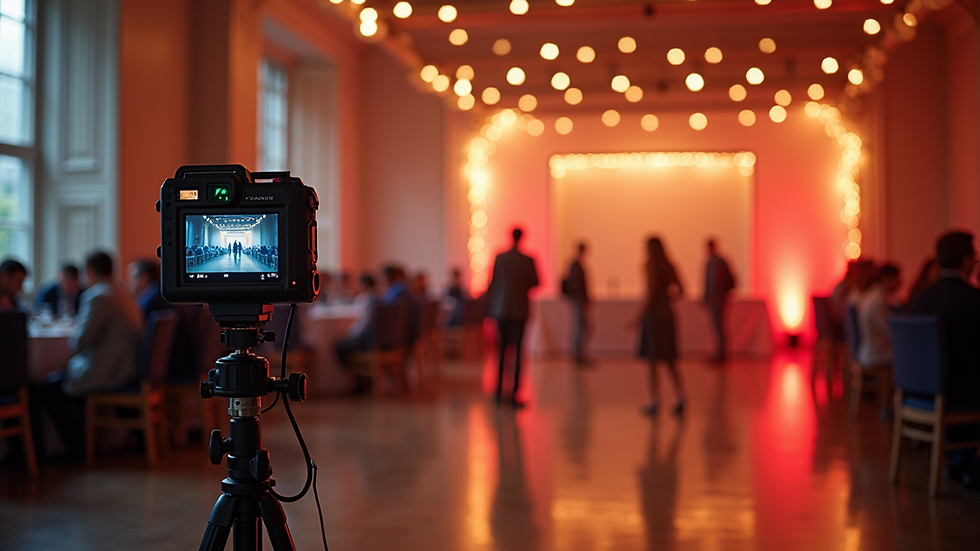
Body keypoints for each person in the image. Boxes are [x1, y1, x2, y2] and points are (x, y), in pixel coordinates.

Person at [39, 251, 144, 461]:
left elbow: (79, 342)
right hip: (125, 366)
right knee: (60, 383)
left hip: (109, 371)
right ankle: (87, 444)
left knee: (49, 387)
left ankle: (77, 449)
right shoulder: (123, 292)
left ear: (89, 271)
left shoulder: (98, 295)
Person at [908, 231, 980, 490]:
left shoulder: (919, 298)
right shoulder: (973, 300)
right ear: (966, 261)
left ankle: (962, 458)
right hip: (955, 396)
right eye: (975, 257)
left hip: (918, 393)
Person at [633, 237, 686, 415]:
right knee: (669, 358)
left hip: (654, 315)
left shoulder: (650, 265)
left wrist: (637, 317)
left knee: (652, 360)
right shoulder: (670, 265)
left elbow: (651, 294)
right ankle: (681, 397)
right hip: (667, 313)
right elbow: (681, 290)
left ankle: (655, 400)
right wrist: (669, 297)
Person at [486, 227, 539, 407]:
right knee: (517, 352)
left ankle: (499, 391)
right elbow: (535, 282)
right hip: (519, 310)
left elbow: (492, 283)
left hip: (501, 310)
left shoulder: (500, 258)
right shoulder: (528, 259)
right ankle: (514, 393)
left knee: (501, 351)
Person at [855, 263, 901, 367]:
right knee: (910, 354)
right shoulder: (879, 300)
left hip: (866, 349)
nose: (900, 282)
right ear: (886, 279)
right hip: (875, 353)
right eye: (897, 278)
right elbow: (889, 332)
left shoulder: (871, 294)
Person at [335, 273, 380, 372]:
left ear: (365, 284)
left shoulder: (367, 300)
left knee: (339, 346)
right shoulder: (381, 297)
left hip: (368, 343)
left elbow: (363, 326)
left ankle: (359, 380)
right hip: (380, 342)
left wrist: (349, 334)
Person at [702, 239, 735, 362]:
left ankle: (721, 354)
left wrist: (711, 296)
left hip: (717, 299)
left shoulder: (715, 262)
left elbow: (714, 283)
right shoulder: (715, 261)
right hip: (717, 298)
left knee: (718, 326)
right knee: (718, 327)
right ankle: (720, 353)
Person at [563, 242, 591, 365]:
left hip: (578, 299)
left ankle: (579, 354)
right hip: (578, 300)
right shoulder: (576, 265)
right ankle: (577, 355)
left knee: (581, 327)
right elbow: (578, 285)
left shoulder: (575, 264)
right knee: (582, 327)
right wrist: (583, 299)